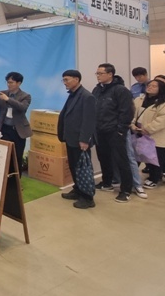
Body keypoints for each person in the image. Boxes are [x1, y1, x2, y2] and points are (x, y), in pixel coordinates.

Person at [92, 63, 134, 202]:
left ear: (110, 74)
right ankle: (107, 182)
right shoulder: (97, 89)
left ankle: (126, 190)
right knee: (103, 157)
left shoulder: (120, 90)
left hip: (115, 131)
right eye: (97, 73)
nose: (98, 76)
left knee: (121, 160)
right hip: (100, 130)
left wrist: (121, 130)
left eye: (100, 73)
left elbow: (126, 112)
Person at [57, 70, 97, 209]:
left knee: (83, 168)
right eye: (63, 80)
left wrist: (84, 140)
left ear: (76, 79)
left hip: (80, 140)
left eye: (67, 80)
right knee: (74, 166)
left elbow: (89, 120)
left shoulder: (87, 96)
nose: (65, 83)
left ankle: (87, 197)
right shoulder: (73, 94)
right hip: (71, 138)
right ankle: (78, 190)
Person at [132, 80, 165, 189]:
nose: (150, 87)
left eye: (154, 86)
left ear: (161, 89)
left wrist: (147, 129)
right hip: (138, 132)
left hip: (156, 134)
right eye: (149, 85)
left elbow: (162, 120)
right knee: (137, 156)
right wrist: (132, 125)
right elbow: (133, 113)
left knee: (155, 158)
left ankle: (154, 178)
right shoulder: (139, 100)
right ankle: (133, 177)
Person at [0, 72, 33, 177]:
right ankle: (4, 178)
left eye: (11, 82)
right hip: (4, 128)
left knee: (17, 156)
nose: (8, 84)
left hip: (18, 130)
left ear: (19, 83)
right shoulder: (2, 93)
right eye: (7, 82)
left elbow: (22, 108)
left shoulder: (25, 96)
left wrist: (8, 99)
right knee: (4, 154)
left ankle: (16, 180)